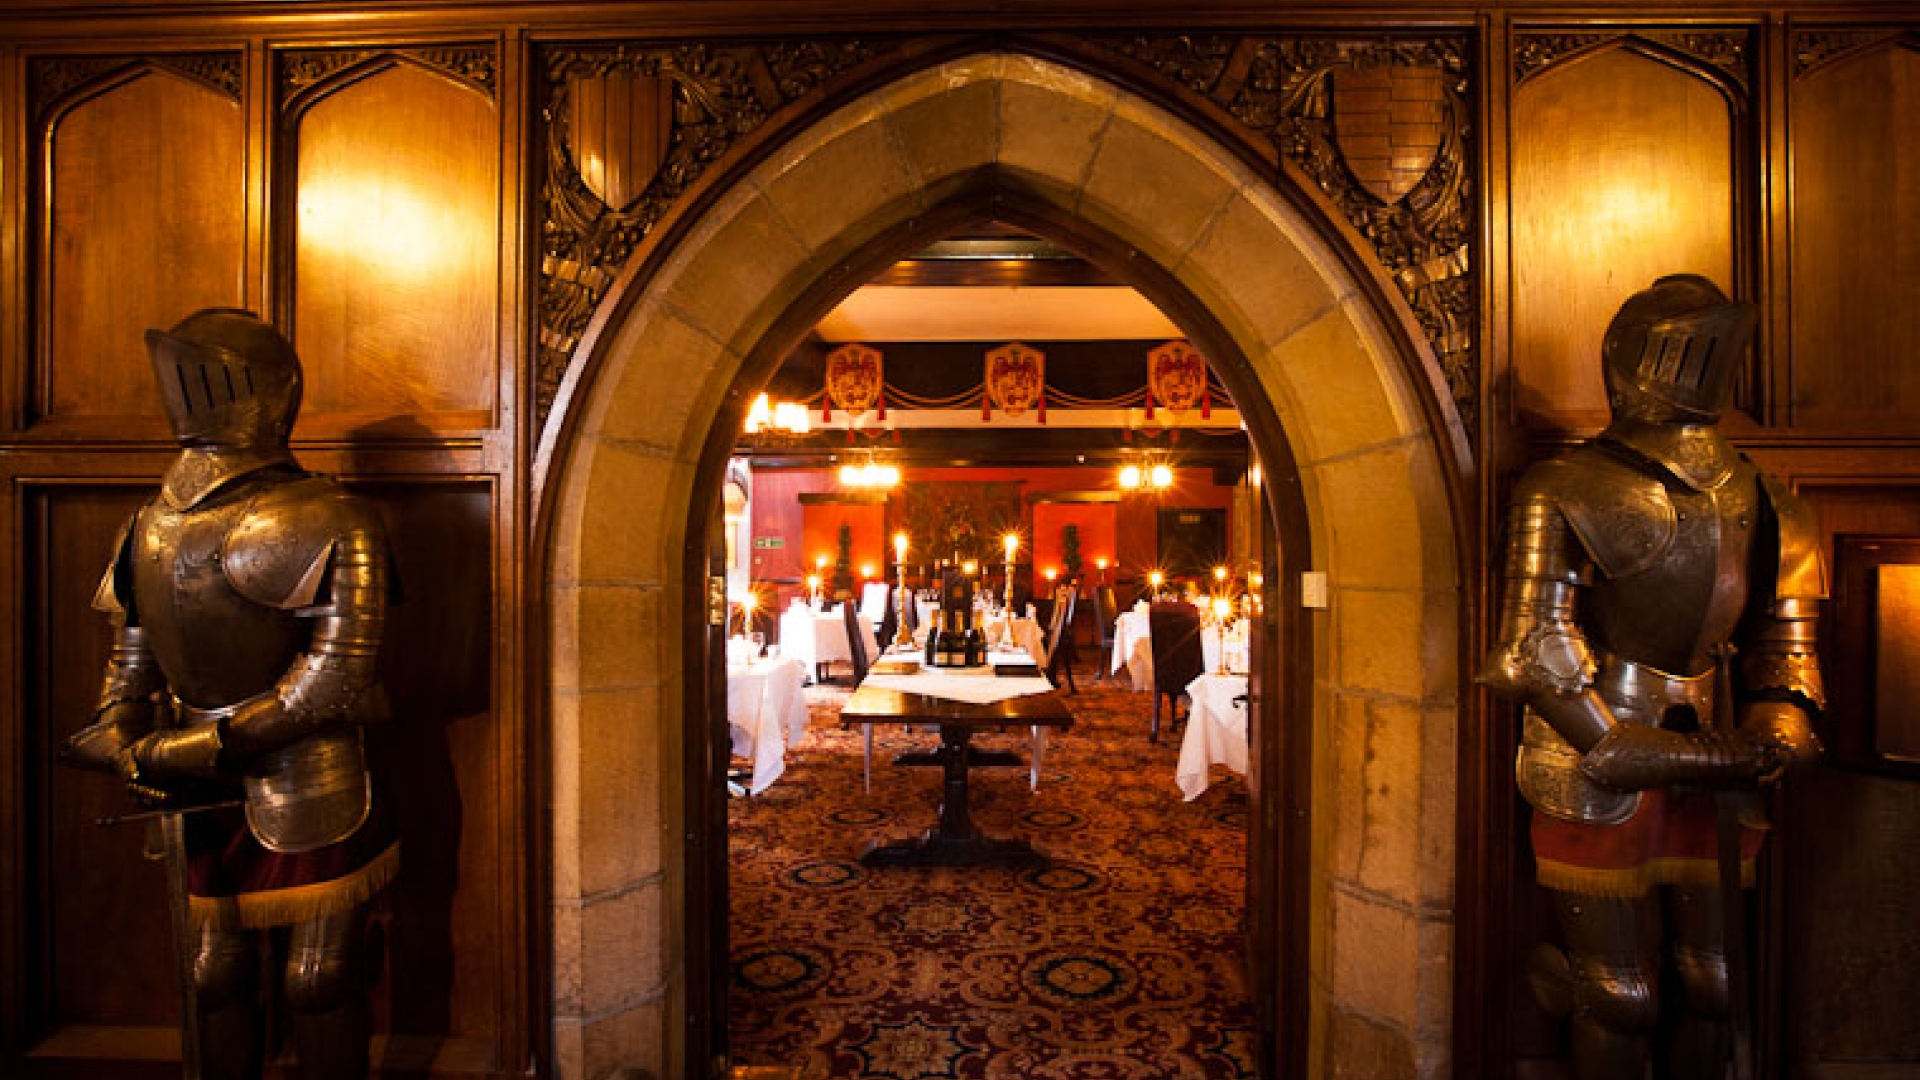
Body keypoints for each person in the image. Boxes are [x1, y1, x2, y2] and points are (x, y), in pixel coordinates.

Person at [1480, 275, 1824, 1080]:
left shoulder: (1769, 499)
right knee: (1621, 994)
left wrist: (1780, 729)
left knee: (1715, 981)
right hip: (1594, 756)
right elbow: (1531, 650)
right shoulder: (1566, 486)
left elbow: (1786, 645)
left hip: (1722, 742)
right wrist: (1613, 742)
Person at [60, 308, 399, 1080]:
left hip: (306, 772)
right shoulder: (146, 524)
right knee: (212, 975)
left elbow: (338, 675)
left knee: (317, 981)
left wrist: (194, 745)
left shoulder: (331, 515)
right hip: (182, 780)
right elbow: (134, 650)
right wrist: (118, 729)